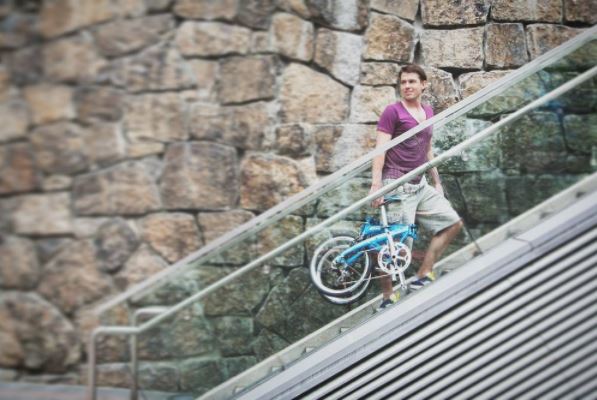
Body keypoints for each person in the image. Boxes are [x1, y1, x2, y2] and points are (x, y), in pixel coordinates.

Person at [370, 64, 463, 310]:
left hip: (419, 184)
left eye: (412, 81)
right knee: (395, 249)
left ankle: (423, 273)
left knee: (452, 223)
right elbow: (380, 149)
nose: (407, 86)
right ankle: (388, 297)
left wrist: (437, 181)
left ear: (424, 85)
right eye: (403, 82)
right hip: (397, 184)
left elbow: (426, 149)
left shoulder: (428, 111)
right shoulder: (392, 112)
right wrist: (376, 185)